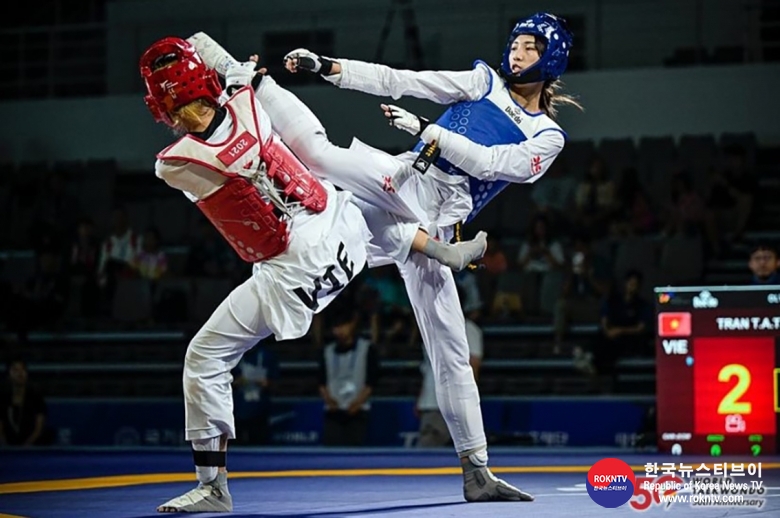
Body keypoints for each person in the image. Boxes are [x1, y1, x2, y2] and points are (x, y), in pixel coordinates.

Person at [188, 12, 575, 501]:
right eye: (515, 43)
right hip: (404, 182)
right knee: (318, 155)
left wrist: (431, 133)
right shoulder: (482, 81)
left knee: (451, 349)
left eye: (529, 48)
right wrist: (330, 67)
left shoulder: (548, 137)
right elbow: (401, 80)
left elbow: (495, 164)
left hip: (431, 217)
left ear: (552, 58)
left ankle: (477, 471)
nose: (516, 53)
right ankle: (242, 76)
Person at [140, 36, 486, 514]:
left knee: (204, 357)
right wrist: (232, 75)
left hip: (292, 268)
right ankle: (436, 247)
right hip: (338, 228)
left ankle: (213, 486)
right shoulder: (249, 99)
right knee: (355, 197)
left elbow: (208, 142)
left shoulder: (174, 163)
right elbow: (227, 95)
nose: (172, 118)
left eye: (170, 108)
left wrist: (225, 82)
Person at [318, 303, 380, 446]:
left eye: (343, 326)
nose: (339, 331)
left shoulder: (366, 348)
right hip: (333, 412)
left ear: (352, 324)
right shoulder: (327, 351)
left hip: (358, 411)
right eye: (336, 327)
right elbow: (321, 380)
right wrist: (329, 401)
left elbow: (371, 381)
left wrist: (357, 403)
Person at [0, 358, 49, 446]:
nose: (20, 373)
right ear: (8, 375)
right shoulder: (3, 399)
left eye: (23, 369)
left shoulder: (36, 397)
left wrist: (26, 447)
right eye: (15, 370)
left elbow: (38, 429)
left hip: (31, 447)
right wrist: (6, 448)